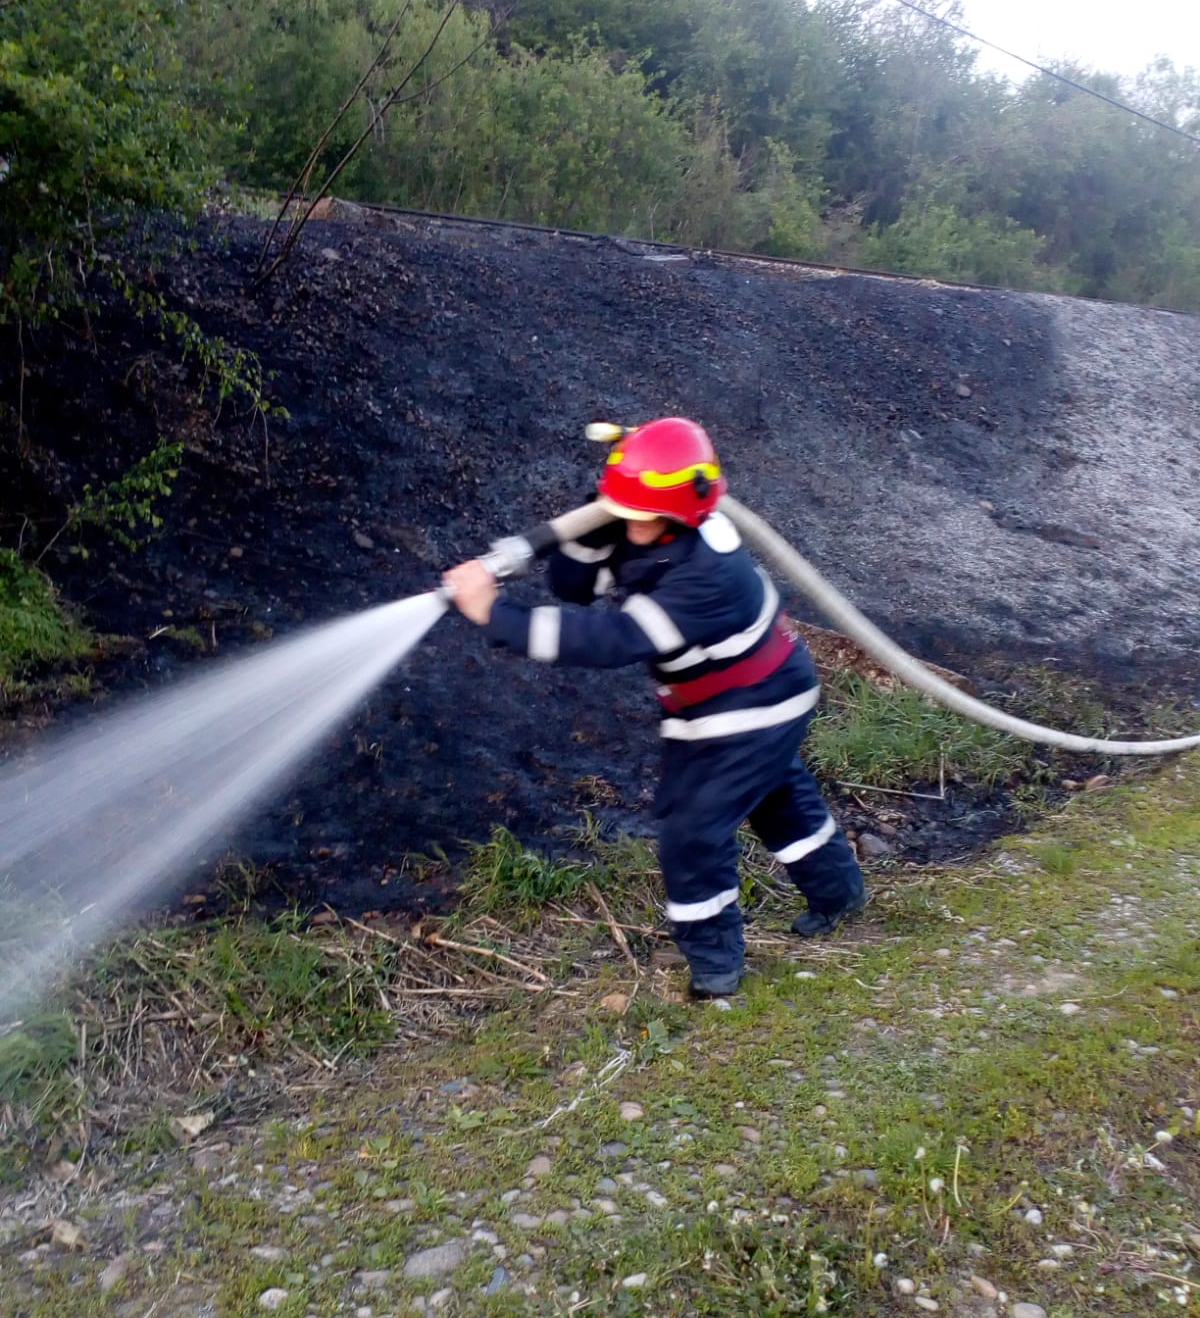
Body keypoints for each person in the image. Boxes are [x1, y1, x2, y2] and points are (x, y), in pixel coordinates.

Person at [442, 417, 865, 998]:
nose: (625, 527)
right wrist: (594, 527)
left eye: (634, 516)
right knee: (773, 797)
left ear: (673, 515)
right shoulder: (655, 528)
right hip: (749, 691)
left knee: (693, 829)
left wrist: (496, 615)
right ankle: (839, 894)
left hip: (750, 703)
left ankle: (716, 967)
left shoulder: (705, 575)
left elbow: (608, 640)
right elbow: (573, 586)